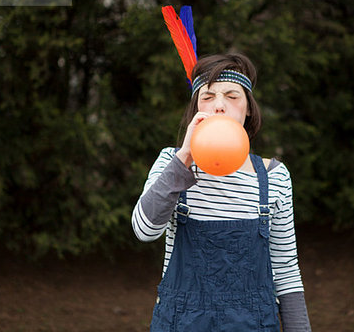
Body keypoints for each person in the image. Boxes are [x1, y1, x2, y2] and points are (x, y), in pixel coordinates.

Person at [132, 53, 312, 331]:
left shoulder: (274, 176)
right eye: (207, 97)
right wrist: (184, 158)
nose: (219, 106)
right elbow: (144, 230)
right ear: (195, 110)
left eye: (232, 96)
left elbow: (286, 272)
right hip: (181, 323)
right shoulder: (172, 162)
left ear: (248, 108)